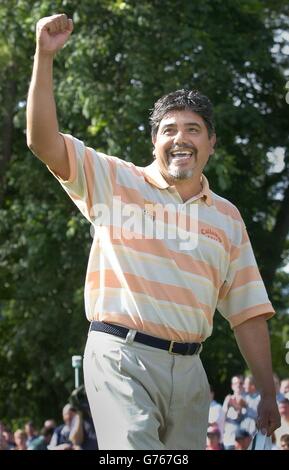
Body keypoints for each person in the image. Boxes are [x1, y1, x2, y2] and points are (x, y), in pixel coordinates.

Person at [26, 13, 281, 450]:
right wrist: (44, 57)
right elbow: (43, 141)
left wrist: (268, 392)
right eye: (168, 130)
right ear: (154, 143)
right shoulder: (114, 180)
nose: (180, 138)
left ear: (211, 143)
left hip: (189, 371)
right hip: (120, 356)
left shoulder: (228, 218)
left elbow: (247, 313)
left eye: (193, 130)